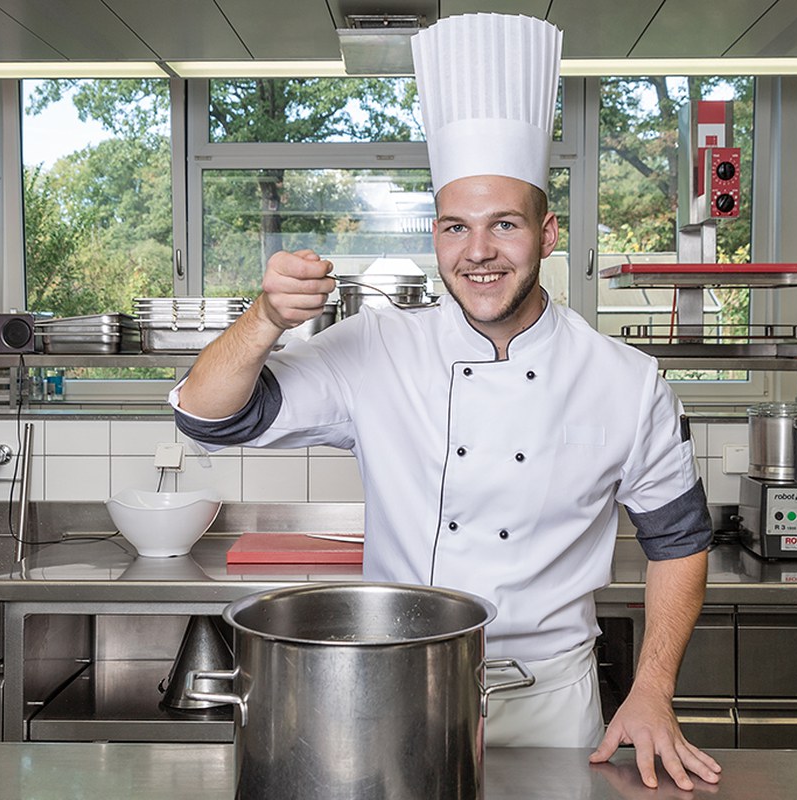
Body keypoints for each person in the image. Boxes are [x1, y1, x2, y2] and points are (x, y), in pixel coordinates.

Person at [170, 13, 721, 792]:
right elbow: (208, 417)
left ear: (548, 232)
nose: (479, 252)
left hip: (551, 700)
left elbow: (679, 540)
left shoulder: (626, 381)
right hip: (394, 692)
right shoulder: (378, 348)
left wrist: (654, 689)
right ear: (436, 235)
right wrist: (265, 318)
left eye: (505, 225)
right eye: (457, 228)